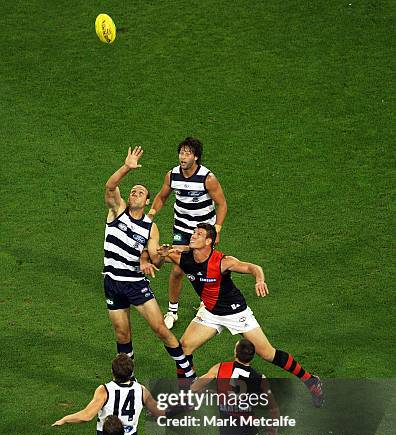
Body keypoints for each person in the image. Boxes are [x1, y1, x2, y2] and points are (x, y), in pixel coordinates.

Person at [156, 223, 324, 406]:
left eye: (199, 234)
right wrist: (160, 254)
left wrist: (259, 280)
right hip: (210, 312)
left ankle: (310, 380)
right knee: (184, 348)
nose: (193, 235)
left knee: (267, 353)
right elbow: (156, 259)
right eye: (194, 232)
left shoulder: (223, 261)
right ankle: (186, 393)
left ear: (209, 241)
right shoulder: (182, 258)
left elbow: (253, 267)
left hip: (236, 312)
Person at [103, 145, 195, 380]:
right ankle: (127, 378)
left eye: (140, 192)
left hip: (135, 283)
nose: (135, 193)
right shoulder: (117, 211)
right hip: (112, 282)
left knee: (160, 329)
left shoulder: (149, 227)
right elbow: (110, 186)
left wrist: (161, 255)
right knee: (122, 333)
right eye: (133, 191)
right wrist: (126, 167)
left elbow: (154, 260)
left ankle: (186, 370)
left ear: (147, 202)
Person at [148, 137, 228, 329]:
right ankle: (172, 312)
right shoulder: (172, 175)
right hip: (182, 229)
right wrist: (151, 213)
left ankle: (205, 303)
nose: (183, 157)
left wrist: (216, 229)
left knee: (203, 268)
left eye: (187, 153)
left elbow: (222, 204)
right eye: (181, 152)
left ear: (196, 157)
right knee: (177, 269)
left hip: (203, 232)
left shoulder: (208, 178)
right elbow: (161, 196)